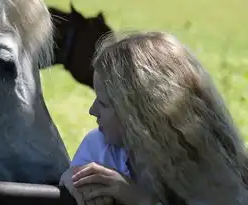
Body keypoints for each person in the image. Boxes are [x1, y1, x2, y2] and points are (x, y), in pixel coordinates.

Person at [60, 31, 248, 205]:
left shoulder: (207, 168)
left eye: (103, 104)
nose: (92, 111)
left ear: (141, 114)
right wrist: (68, 181)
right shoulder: (99, 148)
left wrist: (138, 199)